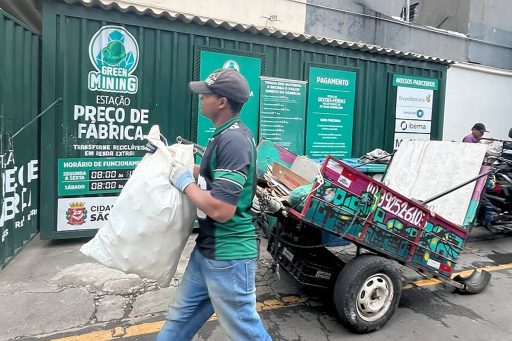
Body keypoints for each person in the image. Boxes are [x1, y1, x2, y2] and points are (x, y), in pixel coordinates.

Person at [156, 68, 271, 341]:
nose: (200, 98)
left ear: (222, 102)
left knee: (247, 333)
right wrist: (176, 162)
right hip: (208, 251)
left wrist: (185, 183)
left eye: (206, 94)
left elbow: (221, 208)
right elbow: (213, 176)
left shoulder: (233, 140)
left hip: (228, 256)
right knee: (178, 322)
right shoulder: (224, 134)